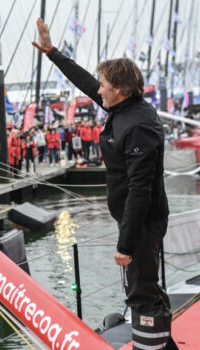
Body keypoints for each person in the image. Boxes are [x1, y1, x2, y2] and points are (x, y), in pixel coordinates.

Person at [33, 18, 177, 350]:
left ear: (120, 89)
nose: (98, 89)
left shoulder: (138, 125)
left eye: (103, 85)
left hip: (141, 221)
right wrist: (52, 52)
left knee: (140, 292)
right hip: (133, 218)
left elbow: (141, 189)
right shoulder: (124, 108)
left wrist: (125, 245)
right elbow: (86, 82)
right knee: (144, 288)